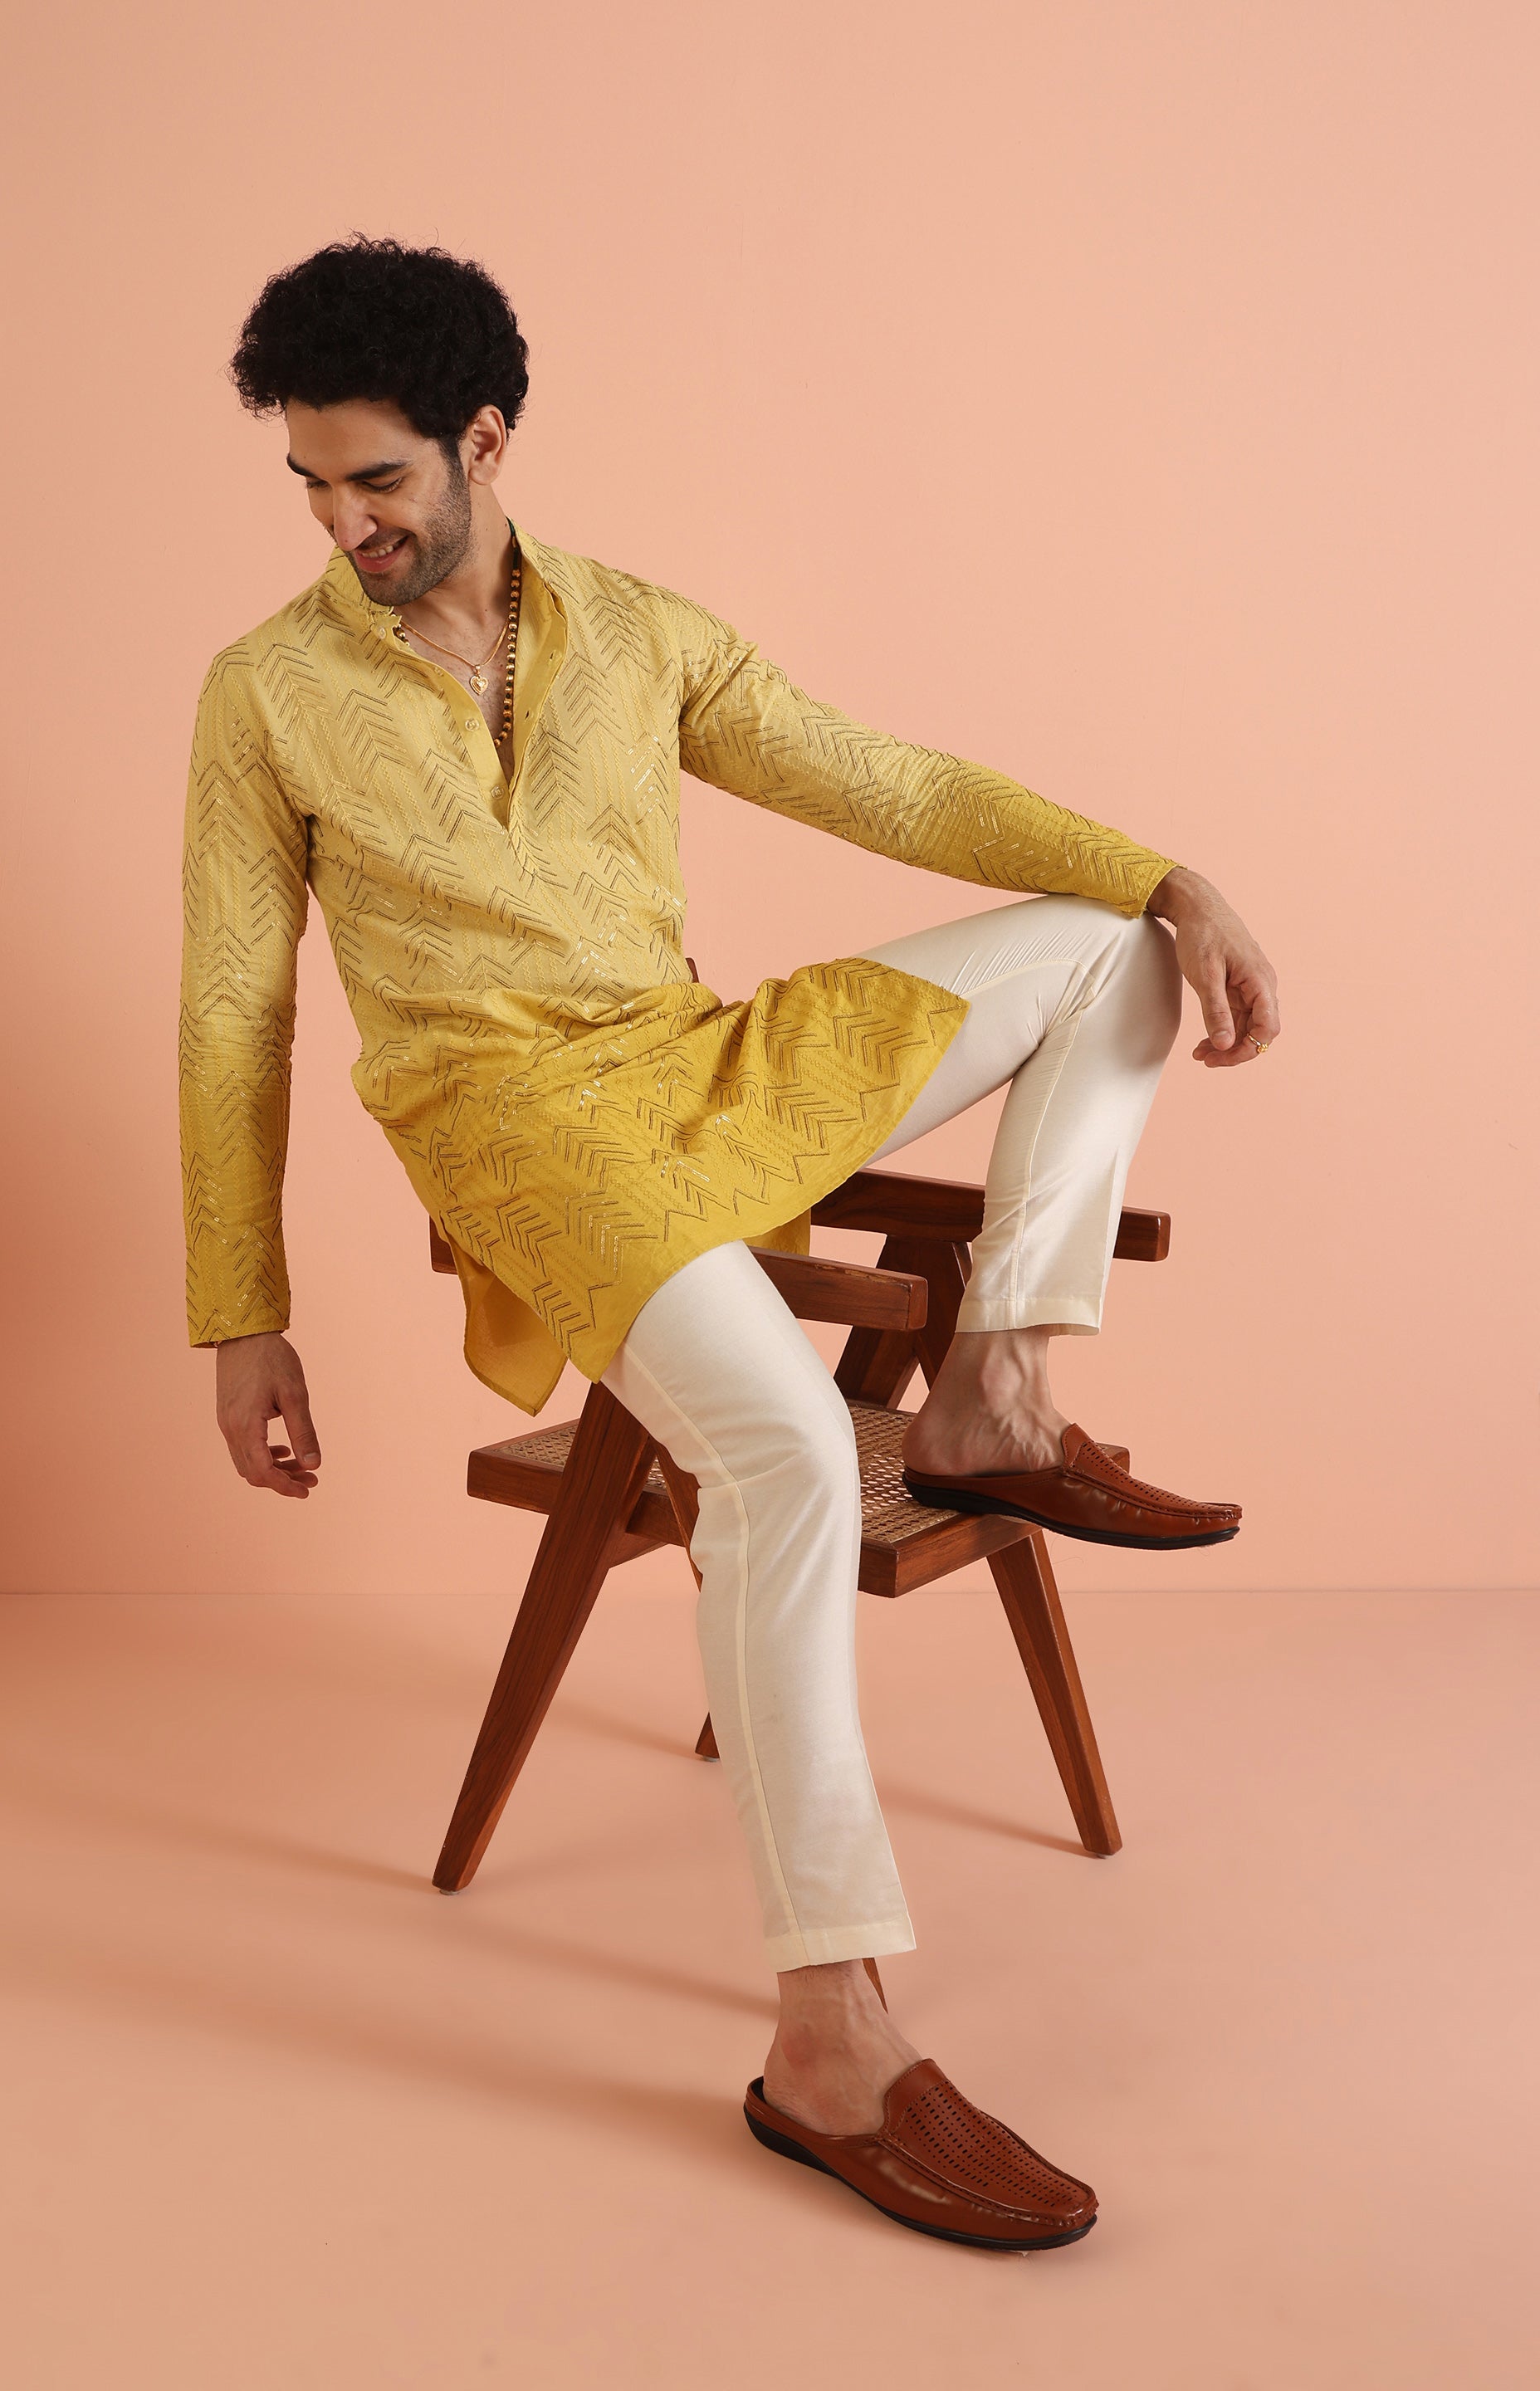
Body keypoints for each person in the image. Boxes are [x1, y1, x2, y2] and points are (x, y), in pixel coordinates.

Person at [179, 236, 1280, 2250]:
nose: (344, 527)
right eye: (312, 488)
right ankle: (832, 2035)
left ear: (483, 439)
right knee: (782, 1451)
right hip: (517, 1138)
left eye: (379, 482)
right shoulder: (266, 693)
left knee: (1108, 943)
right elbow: (232, 1008)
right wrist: (241, 1313)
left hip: (693, 1066)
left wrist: (1164, 871)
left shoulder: (637, 632)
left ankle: (997, 1389)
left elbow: (885, 782)